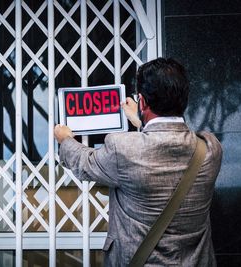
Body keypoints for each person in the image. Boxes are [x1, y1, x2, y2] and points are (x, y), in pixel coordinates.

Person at [54, 58, 222, 266]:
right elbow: (166, 147)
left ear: (142, 102)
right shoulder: (210, 149)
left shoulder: (122, 149)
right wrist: (141, 121)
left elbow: (85, 163)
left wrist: (65, 139)